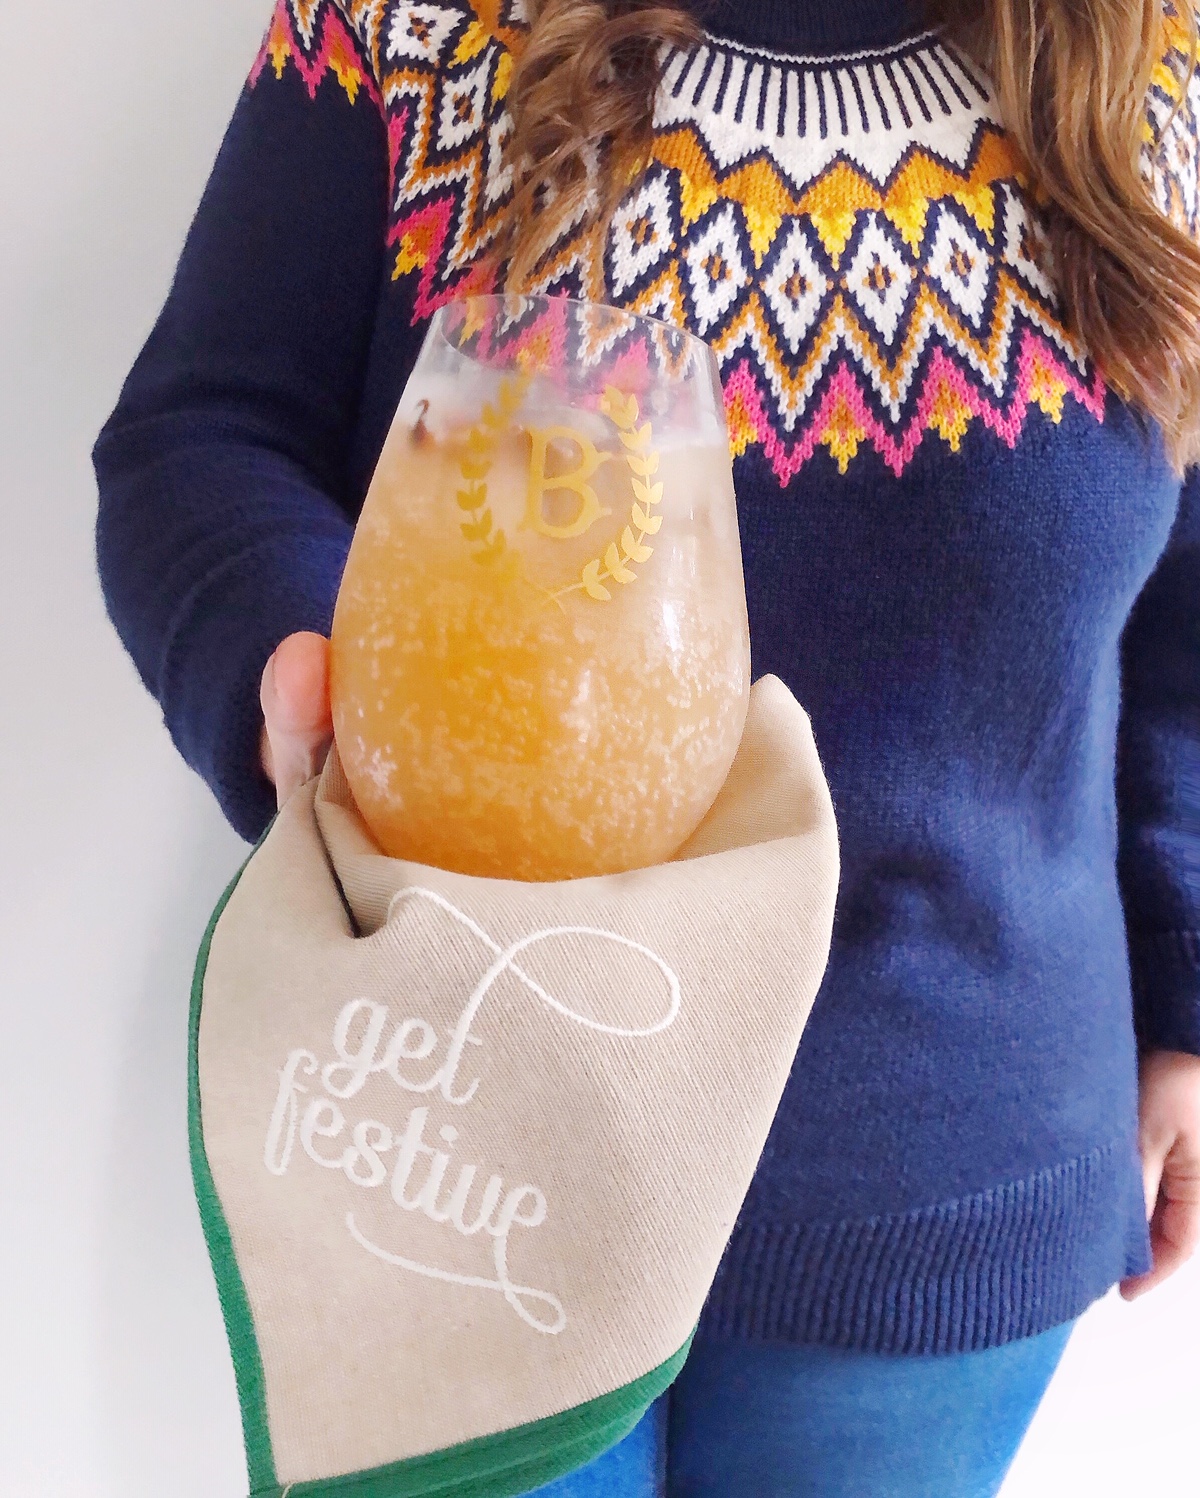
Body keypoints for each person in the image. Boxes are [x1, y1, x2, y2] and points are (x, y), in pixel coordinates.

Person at [94, 1, 1200, 1493]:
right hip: (457, 1116)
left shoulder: (1163, 64)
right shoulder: (414, 23)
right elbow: (205, 429)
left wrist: (1189, 979)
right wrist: (301, 670)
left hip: (942, 1155)